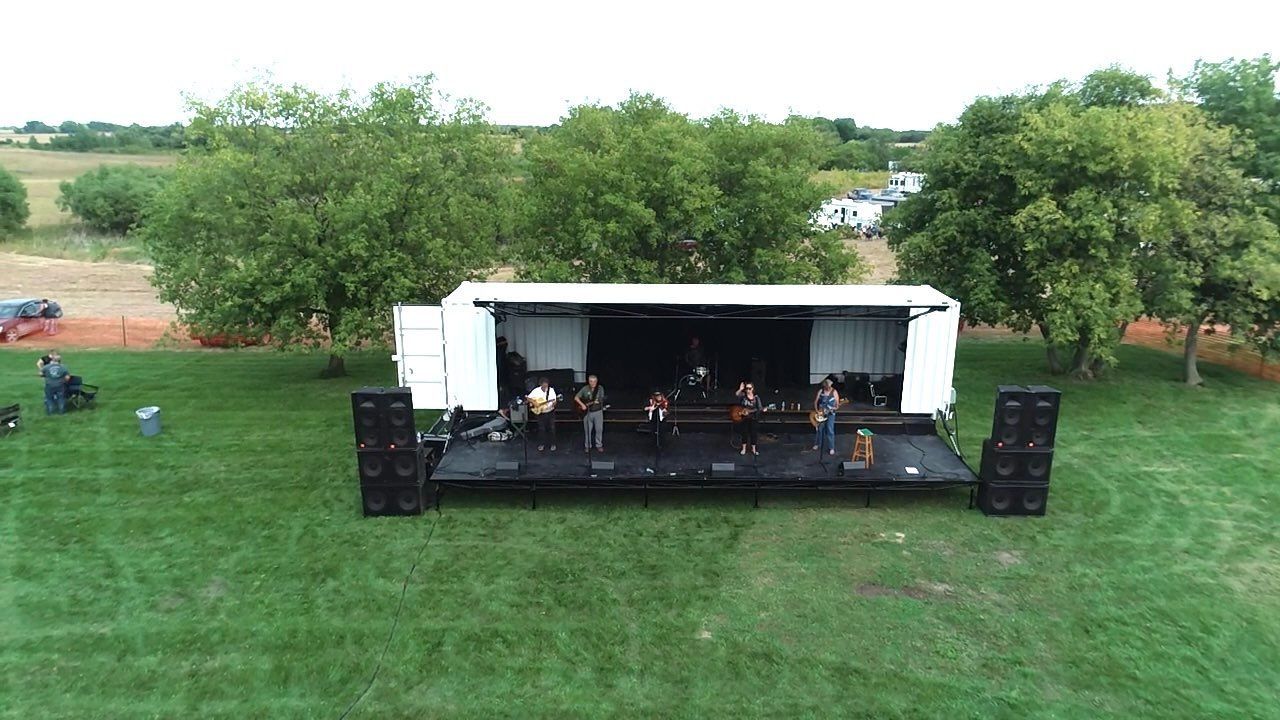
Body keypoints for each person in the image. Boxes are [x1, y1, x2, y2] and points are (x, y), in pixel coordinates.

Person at [574, 374, 606, 452]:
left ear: (597, 381)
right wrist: (582, 405)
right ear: (588, 382)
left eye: (594, 381)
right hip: (588, 413)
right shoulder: (585, 389)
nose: (593, 383)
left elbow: (601, 398)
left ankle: (599, 445)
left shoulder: (600, 388)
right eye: (591, 381)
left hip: (598, 412)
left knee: (599, 429)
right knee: (587, 430)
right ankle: (587, 446)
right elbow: (576, 397)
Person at [525, 377, 558, 452]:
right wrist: (534, 403)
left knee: (552, 428)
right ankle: (542, 444)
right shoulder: (536, 391)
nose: (545, 387)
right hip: (540, 413)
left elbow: (554, 401)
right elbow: (528, 398)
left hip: (550, 412)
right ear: (540, 385)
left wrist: (554, 403)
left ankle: (553, 444)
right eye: (543, 386)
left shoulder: (551, 390)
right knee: (541, 429)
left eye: (546, 386)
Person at [812, 377, 841, 455]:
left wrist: (833, 408)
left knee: (830, 430)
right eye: (826, 386)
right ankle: (818, 444)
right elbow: (815, 401)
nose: (828, 388)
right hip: (821, 413)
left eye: (829, 386)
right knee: (820, 429)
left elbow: (837, 405)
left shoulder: (834, 392)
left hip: (830, 414)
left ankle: (831, 448)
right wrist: (817, 411)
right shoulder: (821, 391)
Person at [735, 380, 763, 456]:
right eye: (747, 388)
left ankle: (753, 449)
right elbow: (737, 394)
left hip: (753, 418)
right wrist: (740, 389)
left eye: (749, 388)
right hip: (744, 418)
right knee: (744, 433)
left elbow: (759, 408)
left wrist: (751, 411)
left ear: (753, 389)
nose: (748, 390)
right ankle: (744, 448)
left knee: (753, 434)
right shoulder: (743, 396)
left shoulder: (756, 398)